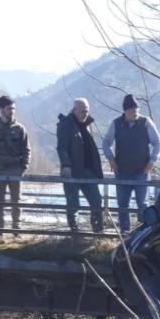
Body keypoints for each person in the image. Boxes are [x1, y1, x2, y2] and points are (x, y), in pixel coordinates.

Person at [103, 94, 160, 232]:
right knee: (123, 204)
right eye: (131, 110)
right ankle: (125, 232)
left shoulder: (146, 122)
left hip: (142, 170)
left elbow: (158, 142)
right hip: (122, 170)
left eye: (137, 109)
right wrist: (111, 159)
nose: (135, 113)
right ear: (125, 111)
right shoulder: (116, 124)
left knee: (143, 204)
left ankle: (144, 231)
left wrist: (152, 160)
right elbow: (106, 142)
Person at [0, 95, 31, 240]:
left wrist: (23, 167)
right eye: (9, 109)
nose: (12, 111)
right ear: (1, 109)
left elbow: (26, 150)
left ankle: (16, 231)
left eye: (13, 109)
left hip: (15, 170)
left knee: (16, 202)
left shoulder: (19, 129)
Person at [56, 98, 105, 233]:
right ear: (74, 111)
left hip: (88, 170)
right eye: (82, 111)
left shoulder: (88, 125)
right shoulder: (65, 125)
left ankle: (98, 230)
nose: (85, 114)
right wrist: (66, 165)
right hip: (72, 172)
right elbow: (62, 148)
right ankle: (74, 231)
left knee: (96, 201)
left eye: (87, 111)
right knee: (73, 204)